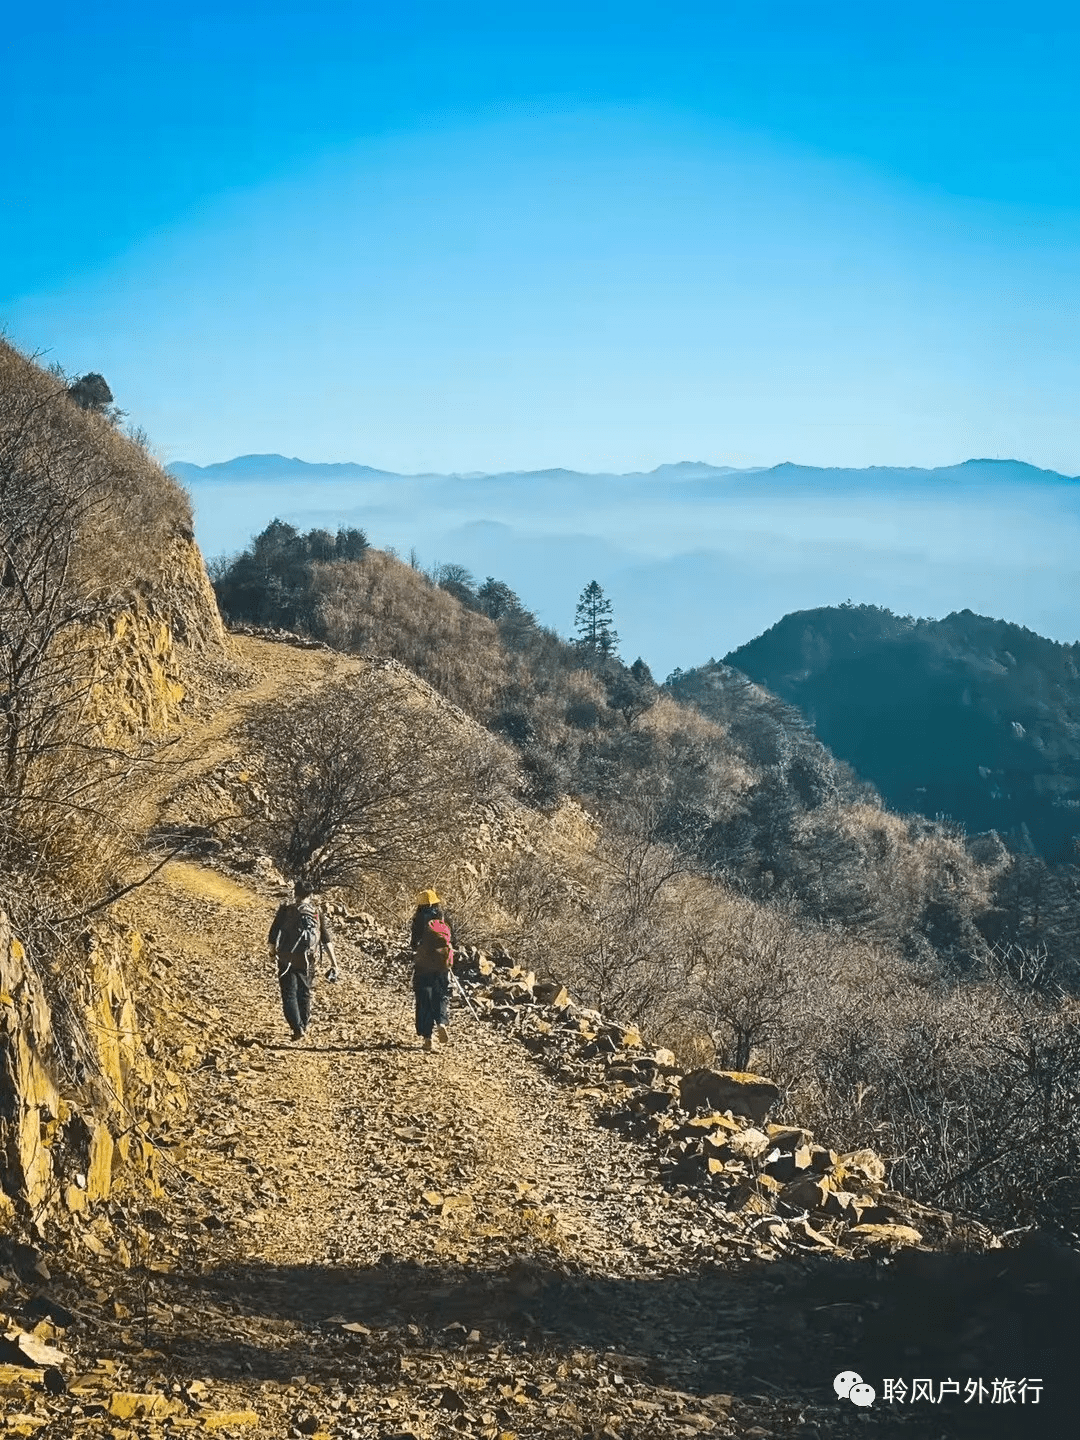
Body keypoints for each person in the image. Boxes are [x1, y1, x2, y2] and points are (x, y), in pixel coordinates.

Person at [268, 881, 338, 1041]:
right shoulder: (316, 912)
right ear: (311, 895)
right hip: (307, 959)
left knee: (289, 994)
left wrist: (272, 953)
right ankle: (304, 1025)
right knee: (304, 992)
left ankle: (297, 1027)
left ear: (295, 893)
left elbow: (273, 933)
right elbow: (326, 939)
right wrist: (334, 963)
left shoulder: (286, 910)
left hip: (286, 958)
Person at [410, 889, 454, 1052]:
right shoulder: (443, 918)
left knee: (424, 1000)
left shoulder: (419, 920)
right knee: (440, 995)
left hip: (423, 966)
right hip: (442, 965)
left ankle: (428, 1039)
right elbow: (452, 939)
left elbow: (414, 944)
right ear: (436, 902)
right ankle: (441, 1023)